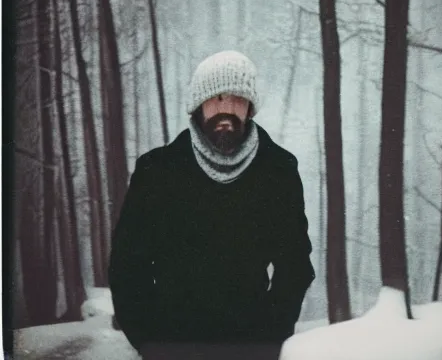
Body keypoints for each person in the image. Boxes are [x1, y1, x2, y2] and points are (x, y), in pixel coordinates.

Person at [109, 50, 315, 359]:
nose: (227, 109)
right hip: (172, 345)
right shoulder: (158, 171)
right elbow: (127, 266)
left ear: (250, 109)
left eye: (238, 99)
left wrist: (271, 337)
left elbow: (295, 265)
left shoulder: (278, 171)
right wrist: (149, 339)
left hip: (250, 347)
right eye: (217, 98)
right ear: (198, 106)